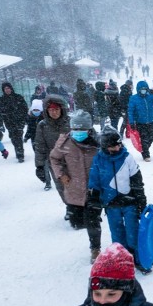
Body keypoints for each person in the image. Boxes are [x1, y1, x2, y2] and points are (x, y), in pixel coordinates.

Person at [88, 126, 148, 268]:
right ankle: (121, 258)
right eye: (113, 146)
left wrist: (141, 200)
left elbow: (137, 180)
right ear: (105, 146)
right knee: (117, 233)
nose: (117, 148)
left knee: (132, 231)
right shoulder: (98, 160)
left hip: (129, 202)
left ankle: (137, 257)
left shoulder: (127, 158)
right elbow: (94, 181)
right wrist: (93, 200)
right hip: (111, 204)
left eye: (118, 144)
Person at [50, 110, 102, 261]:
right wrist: (61, 174)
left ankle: (95, 249)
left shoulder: (98, 142)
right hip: (75, 188)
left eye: (82, 129)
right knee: (78, 222)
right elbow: (54, 159)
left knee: (93, 220)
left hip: (94, 189)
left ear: (89, 129)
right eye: (75, 129)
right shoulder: (65, 143)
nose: (78, 132)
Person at [35, 96, 71, 216]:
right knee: (61, 186)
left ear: (61, 109)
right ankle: (69, 207)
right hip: (55, 162)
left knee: (76, 184)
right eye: (50, 110)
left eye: (56, 109)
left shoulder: (70, 122)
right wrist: (40, 165)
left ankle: (80, 206)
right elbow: (40, 146)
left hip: (72, 159)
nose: (53, 112)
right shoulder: (42, 125)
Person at [128, 80, 153, 161]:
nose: (144, 90)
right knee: (144, 139)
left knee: (151, 138)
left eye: (145, 89)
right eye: (142, 89)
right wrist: (131, 122)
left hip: (150, 121)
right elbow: (130, 111)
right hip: (140, 122)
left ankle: (144, 149)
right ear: (138, 89)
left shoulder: (150, 97)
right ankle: (146, 154)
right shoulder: (134, 98)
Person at [0, 82, 28, 162]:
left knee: (19, 137)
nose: (7, 90)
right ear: (3, 90)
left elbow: (25, 108)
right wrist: (0, 123)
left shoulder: (18, 97)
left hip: (19, 121)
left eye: (8, 88)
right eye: (5, 89)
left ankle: (20, 154)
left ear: (11, 88)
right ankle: (18, 150)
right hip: (9, 123)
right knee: (13, 138)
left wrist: (23, 119)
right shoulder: (1, 100)